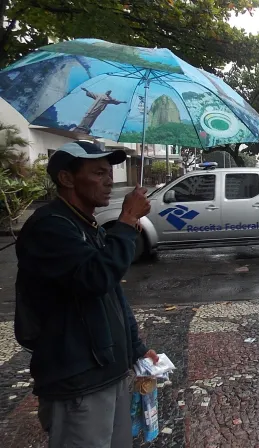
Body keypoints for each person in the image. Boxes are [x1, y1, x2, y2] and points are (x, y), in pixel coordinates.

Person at [14, 141, 159, 447]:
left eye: (110, 172)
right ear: (67, 178)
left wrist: (135, 348)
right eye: (98, 173)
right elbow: (95, 277)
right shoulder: (50, 227)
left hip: (111, 371)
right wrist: (128, 219)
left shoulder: (89, 227)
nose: (109, 180)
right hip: (80, 381)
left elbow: (112, 297)